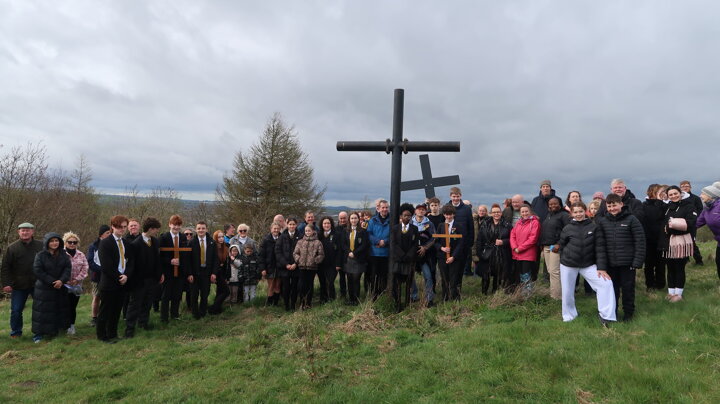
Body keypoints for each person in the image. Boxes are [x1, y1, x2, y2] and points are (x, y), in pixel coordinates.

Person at [558, 202, 616, 326]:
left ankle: (606, 316)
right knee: (567, 292)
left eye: (580, 211)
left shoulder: (594, 227)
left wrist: (601, 268)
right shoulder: (567, 228)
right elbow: (562, 246)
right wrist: (566, 258)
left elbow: (600, 248)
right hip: (568, 265)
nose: (578, 214)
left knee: (606, 284)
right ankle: (569, 316)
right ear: (571, 213)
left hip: (588, 264)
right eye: (575, 212)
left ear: (585, 211)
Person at [595, 193, 646, 321]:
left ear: (621, 204)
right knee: (612, 290)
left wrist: (637, 261)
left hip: (628, 263)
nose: (612, 208)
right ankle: (613, 313)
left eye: (614, 205)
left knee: (628, 289)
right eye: (609, 206)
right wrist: (601, 265)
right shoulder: (602, 222)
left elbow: (640, 241)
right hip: (610, 264)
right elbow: (600, 245)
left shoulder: (632, 219)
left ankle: (629, 314)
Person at [1, 222, 44, 338]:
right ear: (18, 232)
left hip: (38, 284)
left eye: (27, 230)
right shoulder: (12, 248)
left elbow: (48, 262)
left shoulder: (41, 245)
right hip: (19, 285)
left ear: (32, 232)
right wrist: (6, 283)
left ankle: (39, 333)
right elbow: (5, 267)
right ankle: (16, 332)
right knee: (16, 310)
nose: (25, 232)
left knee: (40, 309)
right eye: (23, 230)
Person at [97, 215, 134, 343]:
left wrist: (126, 275)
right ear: (113, 226)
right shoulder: (105, 243)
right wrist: (119, 277)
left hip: (123, 282)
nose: (122, 229)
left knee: (117, 310)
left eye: (124, 227)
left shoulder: (126, 243)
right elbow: (106, 265)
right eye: (119, 227)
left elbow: (131, 262)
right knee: (105, 311)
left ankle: (113, 334)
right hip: (109, 282)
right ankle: (102, 336)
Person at [31, 232, 72, 343]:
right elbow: (38, 270)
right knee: (42, 312)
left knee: (57, 310)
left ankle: (55, 332)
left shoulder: (64, 255)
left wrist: (61, 281)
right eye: (52, 241)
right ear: (47, 242)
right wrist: (53, 281)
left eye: (56, 241)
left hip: (60, 287)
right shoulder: (40, 255)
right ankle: (38, 335)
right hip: (44, 289)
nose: (54, 243)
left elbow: (68, 269)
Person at [125, 217, 162, 337]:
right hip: (139, 281)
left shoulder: (155, 241)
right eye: (156, 229)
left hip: (152, 279)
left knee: (147, 303)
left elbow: (157, 260)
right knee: (135, 305)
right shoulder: (135, 244)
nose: (157, 231)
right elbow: (131, 264)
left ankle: (143, 323)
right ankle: (129, 329)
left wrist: (159, 274)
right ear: (150, 229)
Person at [660, 186, 697, 303]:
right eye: (670, 195)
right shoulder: (667, 207)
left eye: (675, 193)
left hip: (682, 241)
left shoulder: (689, 206)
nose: (673, 196)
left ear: (680, 193)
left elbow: (690, 223)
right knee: (670, 267)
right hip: (668, 242)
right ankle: (671, 293)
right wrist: (671, 226)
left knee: (679, 267)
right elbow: (663, 224)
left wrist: (671, 228)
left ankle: (678, 294)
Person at [159, 215, 192, 322]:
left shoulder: (183, 237)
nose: (176, 227)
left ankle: (175, 315)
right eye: (174, 225)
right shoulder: (163, 237)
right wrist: (170, 261)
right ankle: (164, 317)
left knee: (177, 294)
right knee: (166, 295)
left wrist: (186, 270)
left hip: (180, 271)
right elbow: (159, 256)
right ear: (169, 224)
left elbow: (185, 255)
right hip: (167, 272)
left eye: (178, 225)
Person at [475, 204, 512, 295]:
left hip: (501, 252)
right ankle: (484, 292)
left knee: (498, 273)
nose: (496, 214)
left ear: (501, 213)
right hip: (487, 252)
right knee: (485, 273)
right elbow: (479, 239)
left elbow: (512, 239)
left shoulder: (507, 225)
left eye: (498, 212)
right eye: (494, 212)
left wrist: (503, 242)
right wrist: (479, 253)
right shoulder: (485, 224)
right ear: (491, 213)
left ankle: (495, 292)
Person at [389, 203, 419, 311]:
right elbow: (393, 244)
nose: (407, 217)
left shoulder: (414, 229)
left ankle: (406, 304)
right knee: (397, 284)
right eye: (405, 215)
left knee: (408, 283)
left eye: (409, 216)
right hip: (398, 260)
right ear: (401, 216)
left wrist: (408, 256)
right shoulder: (395, 228)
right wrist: (401, 255)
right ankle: (397, 304)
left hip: (409, 261)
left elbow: (415, 245)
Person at [539, 197, 570, 300]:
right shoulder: (549, 215)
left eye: (555, 203)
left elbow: (568, 231)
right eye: (550, 204)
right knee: (550, 271)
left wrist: (559, 244)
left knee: (554, 271)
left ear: (560, 204)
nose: (553, 206)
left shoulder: (564, 215)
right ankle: (555, 293)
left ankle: (557, 296)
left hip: (556, 247)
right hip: (547, 246)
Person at [435, 205, 467, 301]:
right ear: (444, 215)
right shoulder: (440, 226)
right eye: (446, 215)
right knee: (445, 278)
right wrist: (442, 248)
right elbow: (436, 241)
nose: (448, 217)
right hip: (442, 257)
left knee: (454, 278)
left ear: (454, 214)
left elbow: (461, 243)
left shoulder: (459, 226)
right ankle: (445, 298)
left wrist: (453, 256)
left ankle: (455, 299)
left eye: (450, 214)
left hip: (455, 257)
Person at [188, 221, 218, 319]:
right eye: (199, 228)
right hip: (194, 273)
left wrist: (214, 273)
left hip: (207, 272)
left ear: (206, 229)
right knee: (194, 294)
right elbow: (188, 260)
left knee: (205, 294)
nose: (201, 230)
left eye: (203, 228)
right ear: (196, 230)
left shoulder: (212, 242)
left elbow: (215, 259)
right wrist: (189, 273)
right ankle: (195, 314)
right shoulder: (191, 242)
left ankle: (203, 312)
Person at [509, 204, 540, 292]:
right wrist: (514, 247)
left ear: (530, 212)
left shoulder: (535, 223)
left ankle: (527, 293)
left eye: (526, 211)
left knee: (526, 274)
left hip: (528, 254)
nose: (524, 213)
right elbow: (512, 235)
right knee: (518, 273)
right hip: (516, 253)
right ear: (520, 213)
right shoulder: (518, 223)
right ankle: (520, 292)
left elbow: (533, 239)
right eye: (522, 212)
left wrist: (520, 248)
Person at [642, 184, 667, 291]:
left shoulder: (664, 205)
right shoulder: (644, 205)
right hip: (648, 239)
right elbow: (653, 217)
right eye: (660, 192)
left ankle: (660, 285)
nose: (663, 194)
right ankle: (650, 285)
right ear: (653, 192)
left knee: (661, 264)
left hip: (661, 238)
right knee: (649, 264)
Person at [62, 232, 88, 336]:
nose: (72, 244)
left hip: (77, 286)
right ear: (65, 242)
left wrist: (77, 279)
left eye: (74, 242)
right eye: (70, 242)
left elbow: (85, 268)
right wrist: (64, 280)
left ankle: (71, 326)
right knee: (65, 306)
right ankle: (63, 326)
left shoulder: (81, 255)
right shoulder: (61, 254)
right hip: (64, 285)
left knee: (72, 307)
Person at [411, 203, 437, 306]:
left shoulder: (429, 224)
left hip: (425, 254)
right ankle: (414, 296)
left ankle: (429, 298)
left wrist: (425, 247)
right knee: (410, 275)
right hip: (412, 254)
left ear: (425, 211)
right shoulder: (410, 222)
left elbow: (433, 237)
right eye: (419, 209)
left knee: (428, 276)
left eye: (423, 210)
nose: (421, 211)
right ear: (415, 211)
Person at [294, 225, 324, 309]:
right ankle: (302, 302)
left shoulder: (318, 242)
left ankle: (308, 303)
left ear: (313, 231)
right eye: (306, 231)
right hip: (302, 267)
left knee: (310, 284)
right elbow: (295, 253)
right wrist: (299, 259)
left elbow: (321, 254)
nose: (307, 232)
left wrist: (315, 260)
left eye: (309, 231)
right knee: (302, 285)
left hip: (312, 267)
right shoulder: (300, 242)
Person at [447, 187, 475, 279]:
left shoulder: (466, 209)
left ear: (460, 196)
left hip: (463, 242)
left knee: (460, 266)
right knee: (450, 267)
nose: (455, 198)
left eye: (457, 196)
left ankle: (458, 286)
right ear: (450, 196)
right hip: (449, 242)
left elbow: (470, 225)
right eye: (454, 196)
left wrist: (470, 241)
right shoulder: (446, 207)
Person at [343, 212, 370, 305]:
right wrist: (349, 252)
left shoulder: (362, 231)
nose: (353, 220)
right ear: (349, 220)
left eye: (355, 218)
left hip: (358, 259)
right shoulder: (345, 231)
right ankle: (351, 299)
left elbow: (364, 245)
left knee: (356, 279)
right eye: (352, 218)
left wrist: (354, 253)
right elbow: (343, 244)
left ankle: (356, 300)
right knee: (349, 279)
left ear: (358, 219)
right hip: (348, 259)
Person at [87, 225, 111, 327]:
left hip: (110, 276)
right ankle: (94, 318)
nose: (109, 235)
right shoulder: (93, 246)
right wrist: (103, 270)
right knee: (96, 297)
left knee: (108, 297)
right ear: (101, 235)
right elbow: (90, 262)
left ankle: (107, 317)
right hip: (97, 276)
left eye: (110, 233)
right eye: (107, 233)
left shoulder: (112, 244)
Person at [366, 199, 391, 299]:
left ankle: (383, 295)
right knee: (373, 276)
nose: (385, 209)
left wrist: (385, 242)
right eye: (383, 207)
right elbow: (369, 234)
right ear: (378, 209)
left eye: (386, 207)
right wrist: (378, 241)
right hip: (374, 253)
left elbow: (394, 234)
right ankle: (373, 295)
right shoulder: (373, 220)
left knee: (384, 276)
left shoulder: (392, 220)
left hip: (386, 253)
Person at [276, 217, 301, 311]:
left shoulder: (300, 236)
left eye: (293, 224)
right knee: (286, 287)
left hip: (296, 267)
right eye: (290, 224)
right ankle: (286, 305)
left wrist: (295, 263)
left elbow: (302, 252)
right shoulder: (282, 237)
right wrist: (286, 264)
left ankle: (293, 305)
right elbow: (278, 252)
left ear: (296, 225)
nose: (292, 226)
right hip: (284, 267)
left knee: (295, 287)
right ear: (287, 225)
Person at [697, 182, 720, 280]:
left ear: (711, 195)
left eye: (703, 193)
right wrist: (678, 225)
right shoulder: (707, 208)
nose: (700, 196)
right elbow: (696, 223)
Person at [318, 216, 343, 302]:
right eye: (324, 223)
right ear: (322, 224)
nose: (326, 225)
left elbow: (339, 250)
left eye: (328, 223)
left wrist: (338, 264)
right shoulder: (319, 235)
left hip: (333, 264)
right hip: (321, 263)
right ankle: (323, 299)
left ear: (331, 224)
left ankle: (332, 299)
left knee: (330, 281)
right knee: (322, 282)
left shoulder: (337, 235)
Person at [680, 180, 704, 265]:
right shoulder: (678, 198)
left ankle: (699, 260)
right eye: (682, 186)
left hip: (692, 224)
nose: (685, 188)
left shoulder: (695, 198)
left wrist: (695, 219)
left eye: (686, 186)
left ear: (690, 187)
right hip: (681, 224)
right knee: (682, 242)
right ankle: (685, 260)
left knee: (691, 242)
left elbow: (700, 210)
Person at [208, 230, 230, 314]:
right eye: (219, 237)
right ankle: (213, 308)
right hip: (216, 272)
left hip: (222, 272)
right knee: (226, 291)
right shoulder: (213, 247)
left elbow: (226, 262)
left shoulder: (225, 247)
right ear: (215, 238)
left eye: (222, 237)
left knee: (220, 291)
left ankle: (217, 309)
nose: (221, 239)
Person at [260, 223, 282, 306]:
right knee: (271, 285)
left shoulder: (282, 238)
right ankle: (269, 303)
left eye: (277, 228)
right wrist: (262, 268)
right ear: (271, 229)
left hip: (280, 266)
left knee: (278, 285)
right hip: (269, 266)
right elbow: (261, 255)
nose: (276, 230)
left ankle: (276, 304)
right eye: (274, 228)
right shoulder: (266, 240)